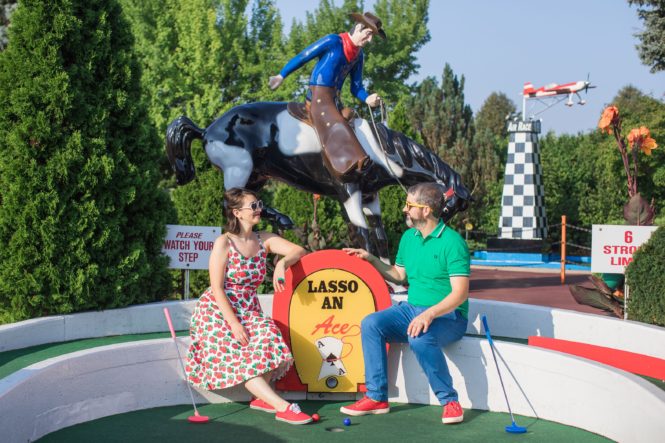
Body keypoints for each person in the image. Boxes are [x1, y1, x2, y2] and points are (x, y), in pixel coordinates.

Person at [340, 182, 470, 424]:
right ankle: (376, 397)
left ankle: (450, 401)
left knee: (419, 338)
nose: (404, 209)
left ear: (426, 210)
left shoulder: (453, 243)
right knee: (371, 324)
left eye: (409, 205)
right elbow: (399, 275)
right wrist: (371, 259)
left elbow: (460, 294)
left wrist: (429, 314)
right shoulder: (409, 238)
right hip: (412, 310)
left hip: (449, 317)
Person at [185, 187, 312, 425]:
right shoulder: (224, 243)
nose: (259, 209)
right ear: (237, 213)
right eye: (253, 206)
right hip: (218, 311)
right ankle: (284, 408)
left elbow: (299, 250)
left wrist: (282, 264)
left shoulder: (264, 239)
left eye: (259, 204)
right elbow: (217, 288)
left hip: (249, 308)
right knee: (244, 360)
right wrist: (233, 324)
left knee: (270, 337)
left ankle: (262, 399)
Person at [268, 12, 385, 182]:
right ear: (359, 28)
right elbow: (304, 56)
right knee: (336, 122)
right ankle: (353, 163)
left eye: (372, 36)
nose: (369, 40)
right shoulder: (333, 41)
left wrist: (367, 98)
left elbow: (356, 86)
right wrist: (282, 75)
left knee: (350, 116)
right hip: (319, 97)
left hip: (334, 99)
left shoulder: (359, 56)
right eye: (368, 34)